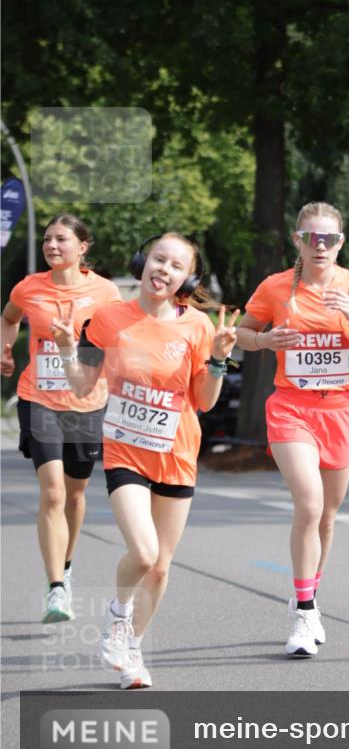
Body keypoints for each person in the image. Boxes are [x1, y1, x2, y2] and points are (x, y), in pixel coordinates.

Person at [51, 232, 238, 689]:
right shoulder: (107, 320)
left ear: (185, 278)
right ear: (143, 261)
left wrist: (217, 361)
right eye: (159, 259)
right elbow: (80, 386)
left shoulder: (198, 326)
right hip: (125, 450)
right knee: (144, 550)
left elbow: (205, 402)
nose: (164, 270)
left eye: (176, 266)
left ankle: (132, 649)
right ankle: (118, 617)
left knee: (161, 565)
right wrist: (65, 349)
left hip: (176, 452)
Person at [236, 201, 349, 657]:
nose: (319, 246)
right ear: (298, 241)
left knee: (327, 516)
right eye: (311, 238)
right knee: (308, 504)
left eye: (328, 238)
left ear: (340, 242)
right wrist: (265, 340)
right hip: (291, 408)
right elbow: (243, 336)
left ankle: (308, 595)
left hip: (341, 409)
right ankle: (303, 613)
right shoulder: (275, 288)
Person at [0, 214, 122, 623]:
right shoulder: (28, 287)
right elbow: (9, 318)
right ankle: (55, 590)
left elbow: (122, 337)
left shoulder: (105, 292)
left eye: (62, 239)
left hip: (87, 402)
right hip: (39, 399)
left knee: (74, 494)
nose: (52, 246)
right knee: (51, 492)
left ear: (82, 247)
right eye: (48, 239)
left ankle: (66, 568)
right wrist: (5, 348)